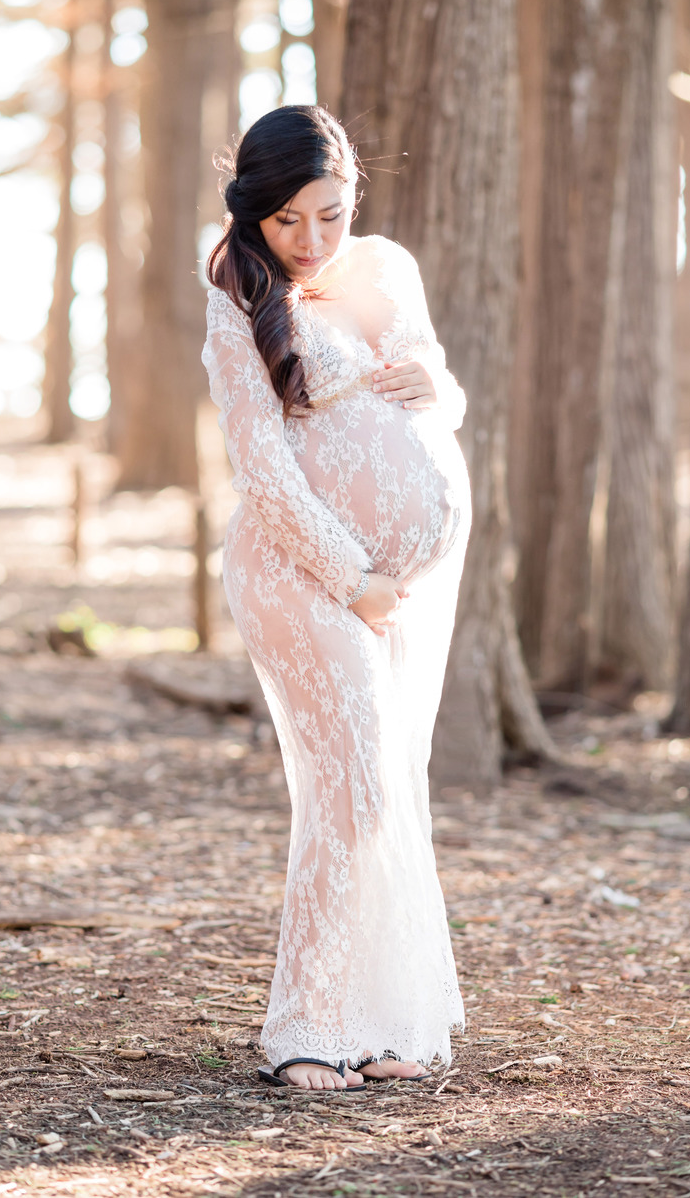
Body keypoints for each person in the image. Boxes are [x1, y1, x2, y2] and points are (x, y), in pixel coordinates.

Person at [201, 104, 471, 1092]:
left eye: (329, 214)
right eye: (285, 222)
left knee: (379, 785)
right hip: (294, 572)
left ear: (352, 192)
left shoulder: (388, 268)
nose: (311, 241)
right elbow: (260, 469)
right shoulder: (232, 291)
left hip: (386, 586)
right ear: (252, 216)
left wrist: (427, 388)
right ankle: (301, 1030)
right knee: (354, 781)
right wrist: (352, 582)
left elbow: (443, 392)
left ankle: (374, 1019)